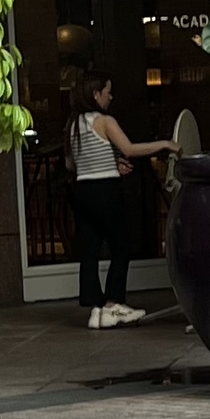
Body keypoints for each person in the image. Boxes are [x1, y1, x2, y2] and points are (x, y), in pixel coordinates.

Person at [67, 73, 178, 329]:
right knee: (121, 246)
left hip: (82, 191)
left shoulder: (73, 124)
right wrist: (164, 143)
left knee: (91, 249)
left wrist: (113, 164)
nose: (111, 96)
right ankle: (114, 303)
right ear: (96, 94)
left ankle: (95, 308)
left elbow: (76, 162)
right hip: (104, 191)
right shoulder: (105, 121)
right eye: (108, 91)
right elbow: (129, 149)